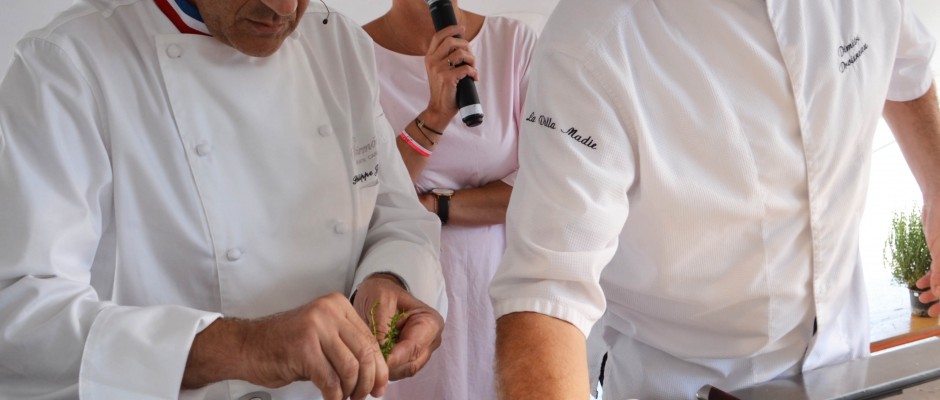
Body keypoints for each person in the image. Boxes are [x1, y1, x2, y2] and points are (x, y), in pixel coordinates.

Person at [489, 0, 940, 399]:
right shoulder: (592, 42)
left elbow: (906, 64)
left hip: (848, 372)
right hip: (685, 387)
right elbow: (546, 298)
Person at [0, 0, 448, 399]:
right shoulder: (69, 63)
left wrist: (391, 280)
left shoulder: (339, 43)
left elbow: (396, 215)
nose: (285, 8)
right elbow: (21, 315)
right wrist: (244, 348)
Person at [361, 1, 536, 398]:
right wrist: (436, 114)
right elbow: (364, 197)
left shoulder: (513, 43)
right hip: (406, 294)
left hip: (500, 291)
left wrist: (432, 206)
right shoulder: (354, 52)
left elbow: (541, 187)